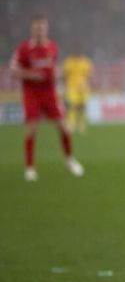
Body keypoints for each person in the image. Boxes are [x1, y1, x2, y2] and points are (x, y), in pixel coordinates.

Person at [9, 15, 83, 181]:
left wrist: (56, 77)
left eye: (42, 26)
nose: (40, 29)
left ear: (46, 28)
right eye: (37, 27)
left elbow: (53, 69)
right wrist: (31, 75)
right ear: (32, 29)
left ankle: (70, 160)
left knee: (64, 128)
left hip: (50, 94)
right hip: (32, 95)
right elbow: (13, 71)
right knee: (31, 129)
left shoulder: (52, 47)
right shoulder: (24, 48)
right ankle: (29, 168)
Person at [62, 47, 94, 134]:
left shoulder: (85, 61)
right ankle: (71, 125)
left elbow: (90, 74)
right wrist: (65, 86)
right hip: (72, 88)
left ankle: (81, 125)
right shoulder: (69, 62)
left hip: (83, 88)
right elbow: (64, 75)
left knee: (82, 107)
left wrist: (86, 83)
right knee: (72, 106)